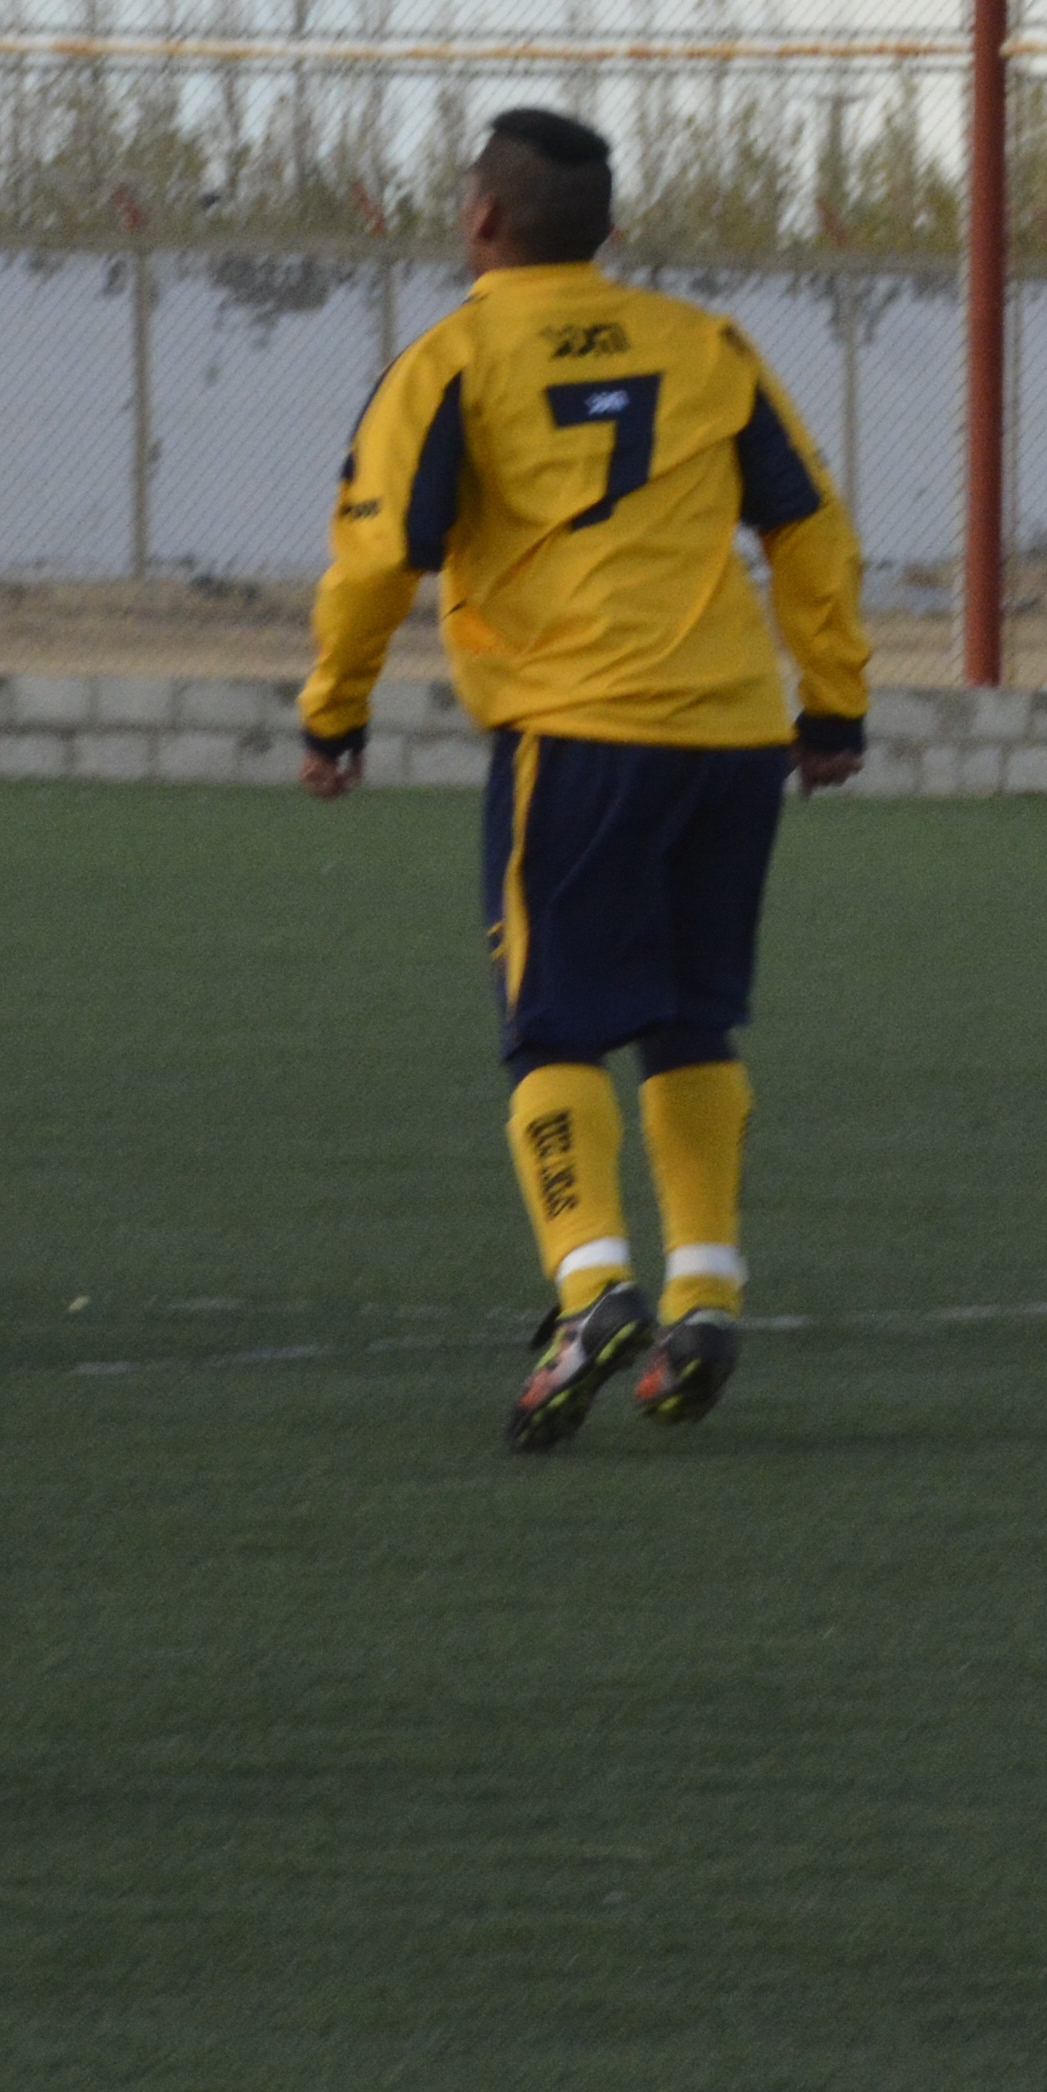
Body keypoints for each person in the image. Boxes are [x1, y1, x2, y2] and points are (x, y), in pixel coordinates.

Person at [296, 108, 867, 1449]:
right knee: (687, 1014)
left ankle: (590, 1291)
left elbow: (380, 558)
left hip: (576, 734)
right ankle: (706, 1295)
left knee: (550, 1027)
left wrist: (334, 714)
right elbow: (806, 524)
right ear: (605, 232)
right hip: (727, 734)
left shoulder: (450, 359)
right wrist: (830, 696)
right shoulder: (704, 344)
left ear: (479, 218)